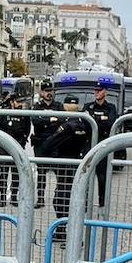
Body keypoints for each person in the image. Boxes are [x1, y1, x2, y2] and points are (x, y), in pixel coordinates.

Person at [46, 95, 92, 243]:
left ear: (65, 107)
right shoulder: (84, 124)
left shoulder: (67, 126)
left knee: (61, 200)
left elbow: (49, 144)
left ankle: (70, 235)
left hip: (65, 166)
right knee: (72, 199)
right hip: (78, 165)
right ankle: (63, 232)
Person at [85, 82, 119, 207]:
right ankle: (85, 202)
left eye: (99, 90)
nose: (96, 92)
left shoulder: (111, 107)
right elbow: (86, 123)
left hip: (103, 146)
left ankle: (102, 201)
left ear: (105, 92)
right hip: (89, 146)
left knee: (102, 176)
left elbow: (111, 122)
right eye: (95, 90)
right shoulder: (88, 106)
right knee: (86, 175)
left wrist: (94, 119)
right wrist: (101, 120)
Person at [0, 95, 31, 207]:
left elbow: (27, 129)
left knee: (16, 173)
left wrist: (23, 142)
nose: (20, 104)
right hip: (5, 148)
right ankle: (3, 197)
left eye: (21, 102)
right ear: (12, 102)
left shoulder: (24, 114)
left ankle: (14, 196)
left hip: (17, 146)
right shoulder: (4, 113)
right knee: (4, 173)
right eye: (17, 102)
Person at [29, 81, 61, 209]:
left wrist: (46, 121)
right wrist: (50, 120)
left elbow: (62, 120)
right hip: (41, 143)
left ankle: (59, 196)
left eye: (51, 91)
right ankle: (40, 198)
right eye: (47, 91)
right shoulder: (37, 107)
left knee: (59, 171)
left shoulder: (58, 106)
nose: (49, 93)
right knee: (41, 172)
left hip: (55, 142)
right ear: (41, 92)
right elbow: (36, 120)